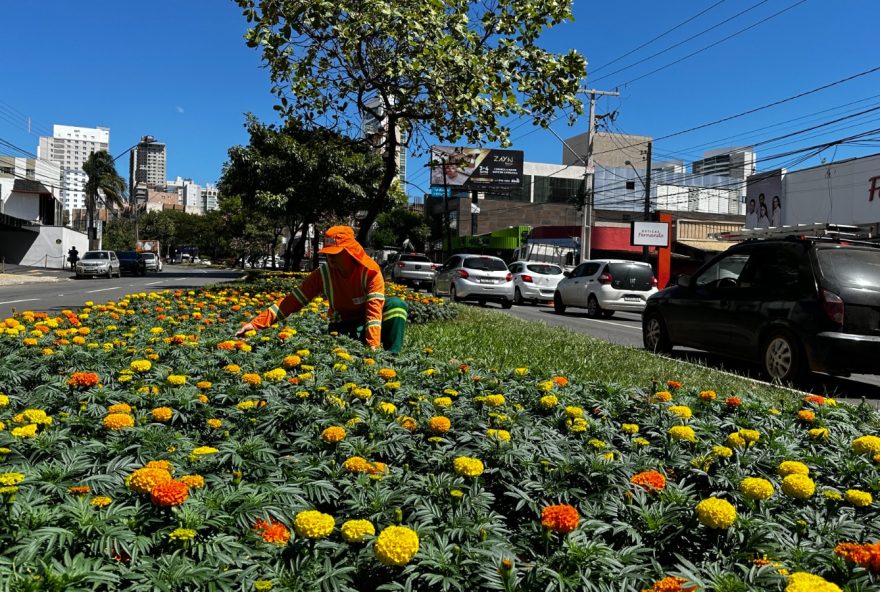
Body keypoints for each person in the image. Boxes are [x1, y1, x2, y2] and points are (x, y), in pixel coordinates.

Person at [235, 225, 408, 353]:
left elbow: (374, 315)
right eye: (327, 253)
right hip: (343, 327)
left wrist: (373, 350)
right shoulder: (323, 274)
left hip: (367, 325)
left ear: (349, 252)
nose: (329, 258)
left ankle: (391, 356)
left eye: (335, 253)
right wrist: (256, 324)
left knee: (396, 305)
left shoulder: (370, 272)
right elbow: (291, 302)